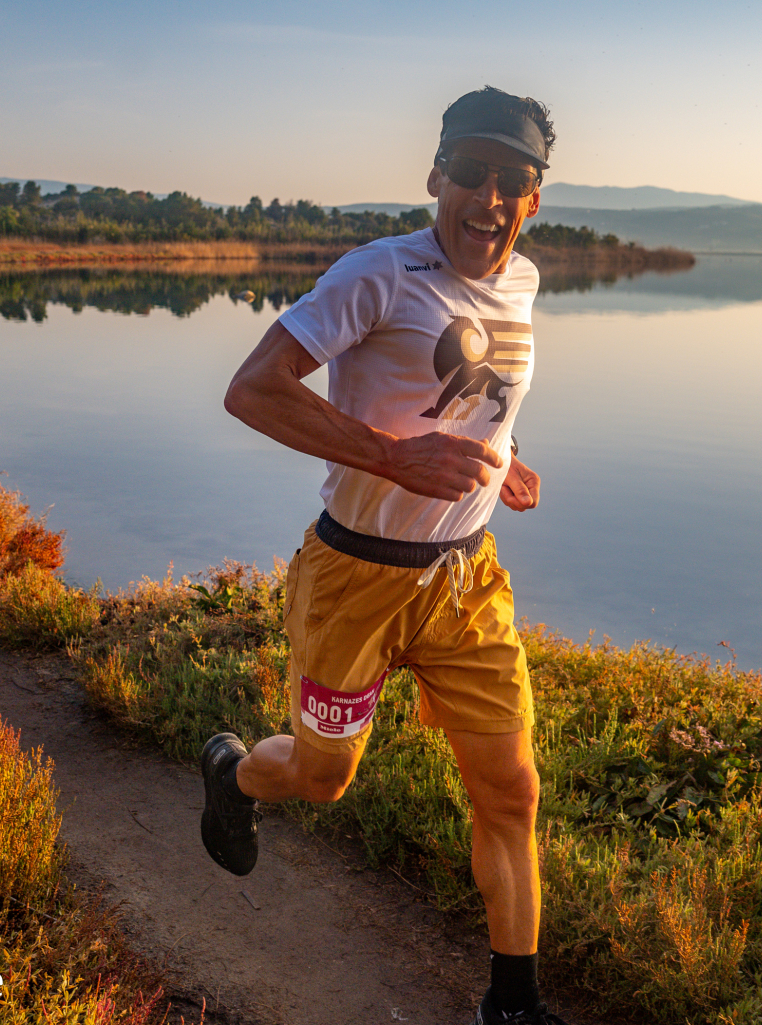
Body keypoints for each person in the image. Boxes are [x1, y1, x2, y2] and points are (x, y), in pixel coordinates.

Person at [201, 86, 566, 1025]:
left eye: (511, 183)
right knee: (324, 778)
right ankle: (234, 774)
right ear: (436, 177)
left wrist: (504, 458)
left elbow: (470, 391)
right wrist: (392, 456)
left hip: (466, 578)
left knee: (511, 791)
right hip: (355, 574)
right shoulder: (378, 273)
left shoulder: (521, 281)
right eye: (472, 175)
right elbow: (253, 390)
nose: (488, 199)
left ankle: (512, 1005)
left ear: (533, 199)